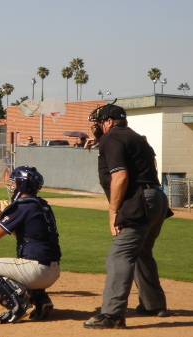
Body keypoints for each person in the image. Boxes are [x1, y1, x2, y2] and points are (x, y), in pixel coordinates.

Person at [83, 104, 173, 329]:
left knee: (118, 256)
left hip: (139, 200)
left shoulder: (112, 137)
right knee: (142, 252)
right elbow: (152, 164)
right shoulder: (135, 137)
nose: (98, 125)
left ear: (110, 121)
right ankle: (154, 304)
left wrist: (113, 211)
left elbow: (120, 176)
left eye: (100, 121)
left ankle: (112, 315)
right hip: (157, 198)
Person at [0, 166, 61, 324]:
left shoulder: (22, 206)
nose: (11, 186)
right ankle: (40, 300)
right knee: (21, 263)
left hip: (35, 271)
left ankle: (18, 305)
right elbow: (27, 233)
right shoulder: (41, 205)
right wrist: (7, 219)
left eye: (14, 183)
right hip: (52, 270)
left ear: (22, 185)